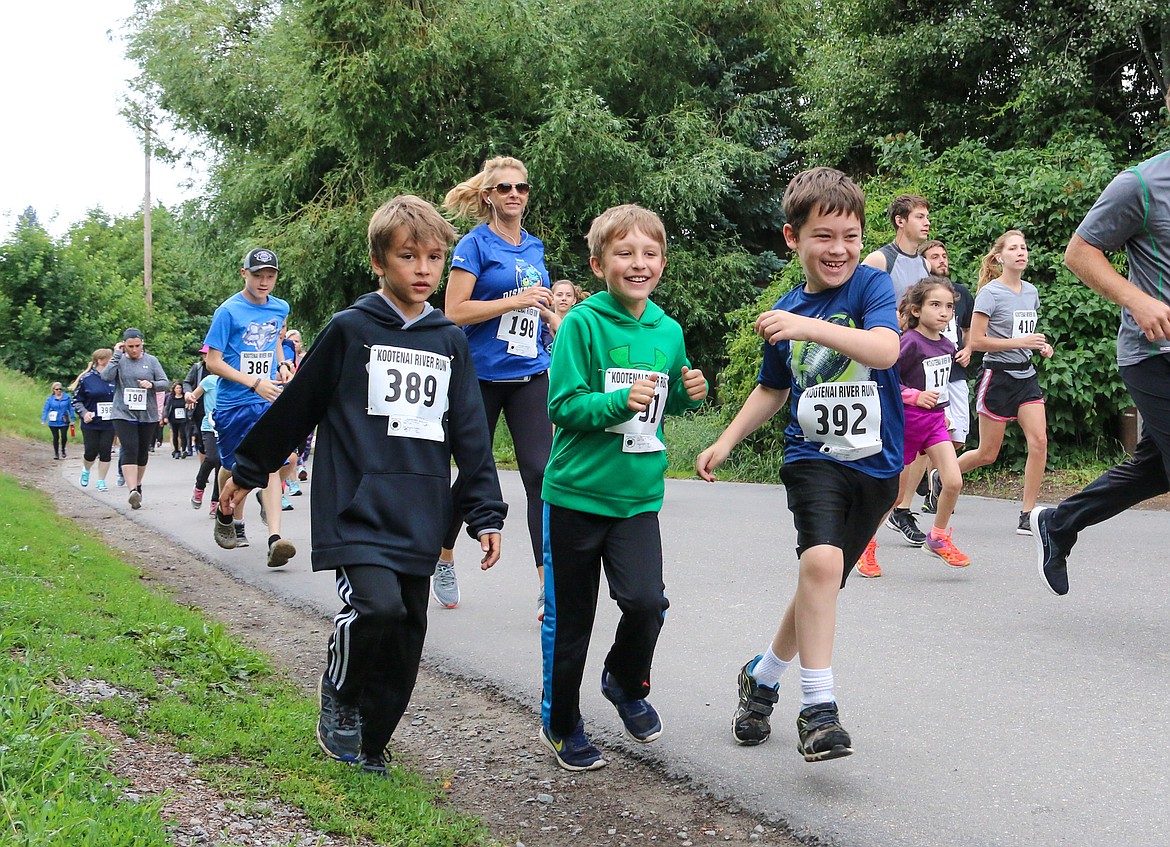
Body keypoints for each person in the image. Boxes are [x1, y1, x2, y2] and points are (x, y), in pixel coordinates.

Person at [216, 195, 506, 775]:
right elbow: (299, 405)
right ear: (380, 261)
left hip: (420, 507)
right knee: (374, 608)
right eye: (408, 257)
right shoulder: (350, 329)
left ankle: (373, 739)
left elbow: (471, 432)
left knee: (406, 630)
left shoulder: (449, 340)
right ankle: (341, 697)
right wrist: (247, 472)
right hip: (356, 502)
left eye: (434, 257)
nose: (423, 270)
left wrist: (485, 513)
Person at [695, 167, 903, 762]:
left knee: (823, 580)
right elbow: (773, 388)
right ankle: (819, 710)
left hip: (878, 462)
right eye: (823, 236)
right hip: (812, 456)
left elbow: (885, 348)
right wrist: (726, 440)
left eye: (851, 236)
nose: (838, 249)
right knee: (820, 563)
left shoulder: (868, 289)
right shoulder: (782, 313)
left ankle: (761, 678)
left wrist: (808, 326)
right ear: (793, 238)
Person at [539, 204, 707, 771]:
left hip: (638, 497)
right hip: (576, 495)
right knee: (574, 619)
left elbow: (664, 405)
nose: (639, 264)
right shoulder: (583, 324)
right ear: (597, 263)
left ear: (663, 261)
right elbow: (561, 405)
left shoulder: (668, 329)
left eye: (650, 253)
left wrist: (688, 390)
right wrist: (617, 400)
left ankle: (624, 681)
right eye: (624, 253)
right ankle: (562, 723)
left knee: (646, 603)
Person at [1033, 86, 1170, 596]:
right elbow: (1080, 253)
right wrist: (1136, 299)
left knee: (1154, 469)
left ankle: (1060, 523)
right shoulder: (1139, 184)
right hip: (1154, 354)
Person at [436, 155, 555, 615]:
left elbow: (533, 303)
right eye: (504, 188)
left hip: (530, 372)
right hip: (481, 376)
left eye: (521, 188)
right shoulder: (474, 245)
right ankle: (443, 556)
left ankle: (548, 584)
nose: (514, 195)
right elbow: (454, 312)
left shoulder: (534, 247)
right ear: (488, 195)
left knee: (540, 475)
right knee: (472, 474)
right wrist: (514, 300)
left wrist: (544, 317)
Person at [857, 277, 970, 574]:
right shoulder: (907, 342)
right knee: (894, 495)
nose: (943, 312)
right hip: (905, 423)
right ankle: (864, 544)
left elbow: (938, 385)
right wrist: (915, 396)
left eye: (948, 306)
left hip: (934, 423)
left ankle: (938, 537)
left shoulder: (947, 345)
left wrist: (942, 410)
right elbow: (888, 380)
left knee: (954, 481)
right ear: (917, 310)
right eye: (935, 305)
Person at [955, 230, 1053, 534]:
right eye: (1013, 248)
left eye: (1023, 247)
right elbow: (979, 341)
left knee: (1039, 442)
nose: (1021, 252)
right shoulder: (990, 293)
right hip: (996, 376)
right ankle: (942, 474)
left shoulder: (1031, 292)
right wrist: (1019, 341)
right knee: (987, 453)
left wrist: (1042, 346)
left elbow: (1027, 336)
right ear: (1000, 257)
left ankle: (1027, 514)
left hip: (1026, 376)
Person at [205, 247, 296, 567]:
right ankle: (228, 515)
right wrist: (252, 382)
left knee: (272, 464)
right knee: (232, 467)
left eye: (270, 276)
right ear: (244, 274)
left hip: (267, 398)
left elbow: (271, 340)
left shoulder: (279, 308)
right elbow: (212, 362)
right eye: (258, 275)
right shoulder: (228, 312)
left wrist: (283, 363)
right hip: (234, 403)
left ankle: (275, 538)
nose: (264, 281)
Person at [863, 195, 933, 550]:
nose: (927, 223)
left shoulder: (923, 265)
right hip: (881, 362)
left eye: (927, 217)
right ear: (900, 221)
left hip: (913, 360)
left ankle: (901, 508)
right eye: (920, 216)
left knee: (919, 439)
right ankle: (869, 516)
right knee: (886, 440)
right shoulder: (879, 259)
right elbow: (857, 302)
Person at [918, 240, 975, 514]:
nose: (942, 260)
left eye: (944, 255)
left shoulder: (962, 293)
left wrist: (969, 348)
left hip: (956, 371)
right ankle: (932, 492)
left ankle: (934, 477)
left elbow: (969, 328)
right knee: (934, 431)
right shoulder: (918, 297)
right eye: (934, 256)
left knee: (959, 435)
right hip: (930, 374)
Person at [101, 328, 170, 509]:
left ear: (142, 344)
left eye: (137, 346)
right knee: (129, 448)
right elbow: (106, 376)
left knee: (142, 452)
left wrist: (152, 384)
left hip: (147, 414)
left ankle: (137, 486)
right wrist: (116, 354)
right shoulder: (119, 361)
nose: (133, 350)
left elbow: (165, 383)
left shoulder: (151, 361)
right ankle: (132, 489)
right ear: (123, 345)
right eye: (129, 346)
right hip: (123, 413)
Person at [70, 348, 116, 490]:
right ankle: (86, 469)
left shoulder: (115, 377)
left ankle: (101, 481)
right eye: (110, 360)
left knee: (105, 450)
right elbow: (76, 400)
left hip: (109, 422)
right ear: (101, 361)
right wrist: (84, 413)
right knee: (91, 451)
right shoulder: (87, 379)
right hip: (91, 422)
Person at [189, 371, 222, 515]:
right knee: (212, 458)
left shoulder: (233, 381)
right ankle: (199, 486)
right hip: (210, 426)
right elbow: (194, 395)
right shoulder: (209, 380)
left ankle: (216, 501)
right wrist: (189, 397)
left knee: (222, 465)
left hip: (226, 427)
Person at [182, 346, 212, 457]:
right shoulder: (197, 368)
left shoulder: (221, 368)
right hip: (200, 408)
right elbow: (187, 382)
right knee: (201, 439)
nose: (205, 356)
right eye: (203, 354)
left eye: (208, 353)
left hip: (216, 407)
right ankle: (204, 467)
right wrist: (189, 393)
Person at [41, 381, 73, 460]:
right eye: (57, 389)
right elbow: (46, 409)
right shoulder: (50, 399)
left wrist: (72, 418)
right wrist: (43, 420)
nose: (59, 390)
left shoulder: (67, 397)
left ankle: (63, 450)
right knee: (56, 437)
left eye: (60, 389)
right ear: (53, 390)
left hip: (64, 420)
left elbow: (71, 408)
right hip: (53, 421)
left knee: (64, 436)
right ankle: (56, 453)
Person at [163, 382, 190, 459]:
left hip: (183, 418)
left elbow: (189, 406)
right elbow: (167, 407)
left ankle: (183, 450)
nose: (179, 390)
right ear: (174, 389)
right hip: (173, 418)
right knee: (175, 434)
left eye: (180, 388)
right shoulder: (171, 398)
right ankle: (176, 450)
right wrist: (165, 417)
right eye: (177, 388)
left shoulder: (185, 397)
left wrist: (189, 413)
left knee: (183, 434)